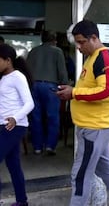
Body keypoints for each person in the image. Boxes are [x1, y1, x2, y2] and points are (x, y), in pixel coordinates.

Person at [56, 19, 109, 206]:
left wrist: (74, 92)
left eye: (82, 42)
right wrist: (71, 91)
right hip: (92, 126)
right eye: (77, 42)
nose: (78, 47)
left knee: (81, 174)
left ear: (94, 38)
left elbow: (107, 91)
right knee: (105, 169)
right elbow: (94, 88)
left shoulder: (104, 58)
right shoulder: (93, 58)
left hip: (95, 127)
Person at [0, 44, 34, 206]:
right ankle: (22, 201)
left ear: (8, 60)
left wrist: (15, 118)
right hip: (4, 125)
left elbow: (29, 103)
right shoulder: (3, 78)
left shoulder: (17, 76)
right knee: (13, 165)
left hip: (15, 126)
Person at [26, 30, 68, 155]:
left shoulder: (33, 51)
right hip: (51, 87)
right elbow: (62, 72)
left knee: (36, 118)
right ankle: (50, 146)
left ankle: (37, 147)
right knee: (52, 117)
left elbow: (27, 70)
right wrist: (65, 84)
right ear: (54, 40)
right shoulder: (57, 51)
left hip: (34, 86)